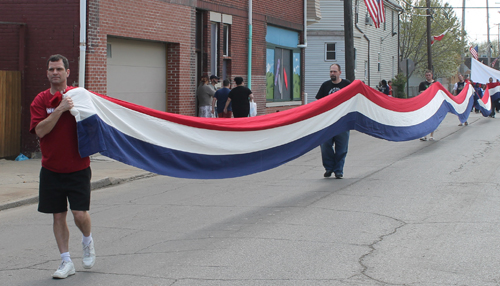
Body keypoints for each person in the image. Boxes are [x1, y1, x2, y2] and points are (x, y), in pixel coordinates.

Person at [29, 54, 96, 279]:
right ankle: (66, 261)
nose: (55, 73)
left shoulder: (80, 96)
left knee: (79, 214)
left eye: (59, 69)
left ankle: (87, 240)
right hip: (51, 169)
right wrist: (60, 109)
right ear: (47, 73)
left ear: (68, 72)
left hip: (78, 166)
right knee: (58, 216)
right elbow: (40, 131)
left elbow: (98, 120)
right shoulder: (40, 101)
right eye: (51, 69)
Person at [315, 63, 351, 179]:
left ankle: (339, 170)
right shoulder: (325, 86)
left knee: (342, 148)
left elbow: (355, 98)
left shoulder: (347, 85)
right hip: (327, 122)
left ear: (340, 72)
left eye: (335, 72)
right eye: (331, 71)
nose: (332, 74)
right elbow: (318, 104)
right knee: (325, 146)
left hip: (342, 122)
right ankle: (329, 168)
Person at [419, 70, 436, 141]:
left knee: (432, 120)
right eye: (427, 75)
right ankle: (424, 135)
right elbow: (421, 92)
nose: (428, 76)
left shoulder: (435, 83)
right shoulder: (422, 84)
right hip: (425, 103)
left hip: (433, 103)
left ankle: (431, 135)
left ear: (432, 75)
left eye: (429, 75)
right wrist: (430, 88)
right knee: (424, 119)